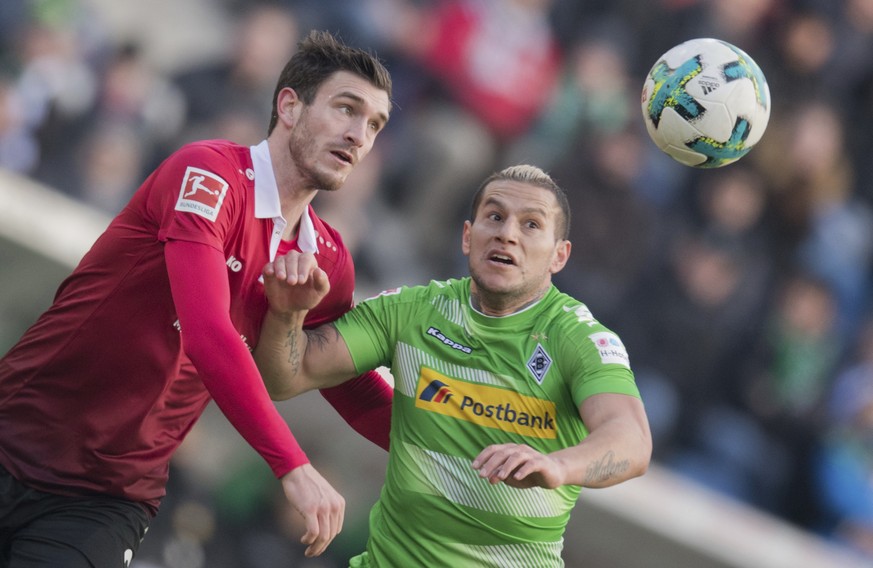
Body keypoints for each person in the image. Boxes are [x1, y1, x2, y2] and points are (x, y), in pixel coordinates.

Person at [0, 30, 394, 565]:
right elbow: (208, 332)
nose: (358, 135)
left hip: (106, 498)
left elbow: (350, 384)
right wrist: (292, 465)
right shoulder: (209, 174)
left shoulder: (327, 259)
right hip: (14, 435)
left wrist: (456, 455)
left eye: (374, 124)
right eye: (346, 109)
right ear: (289, 107)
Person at [255, 164, 653, 566]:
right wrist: (286, 314)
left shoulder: (577, 339)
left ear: (559, 255)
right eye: (494, 217)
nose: (507, 233)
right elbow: (286, 377)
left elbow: (632, 441)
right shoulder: (411, 312)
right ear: (468, 236)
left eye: (531, 224)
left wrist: (558, 466)